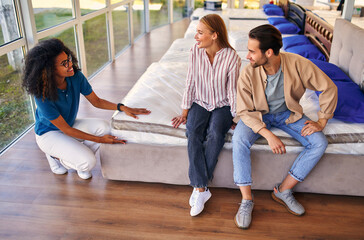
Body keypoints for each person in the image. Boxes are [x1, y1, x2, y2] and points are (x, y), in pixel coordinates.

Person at [232, 25, 337, 229]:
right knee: (239, 139)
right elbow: (243, 110)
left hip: (288, 114)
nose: (248, 56)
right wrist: (267, 134)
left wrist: (322, 120)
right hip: (257, 115)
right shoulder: (248, 72)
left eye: (252, 51)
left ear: (268, 52)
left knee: (318, 142)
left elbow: (328, 87)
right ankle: (246, 200)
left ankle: (283, 190)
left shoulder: (298, 64)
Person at [22, 38, 150, 180]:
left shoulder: (75, 77)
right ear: (50, 70)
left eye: (69, 59)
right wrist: (100, 140)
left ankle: (77, 158)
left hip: (70, 125)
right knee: (88, 163)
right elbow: (66, 130)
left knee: (105, 128)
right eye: (64, 63)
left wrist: (122, 107)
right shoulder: (42, 95)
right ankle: (55, 156)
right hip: (49, 134)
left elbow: (97, 101)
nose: (70, 64)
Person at [171, 14, 241, 217]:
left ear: (214, 35)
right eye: (196, 32)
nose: (196, 37)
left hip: (222, 105)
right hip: (200, 102)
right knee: (192, 131)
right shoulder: (195, 51)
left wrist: (235, 117)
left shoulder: (232, 57)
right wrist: (184, 111)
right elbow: (190, 82)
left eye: (200, 33)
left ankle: (199, 188)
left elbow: (232, 91)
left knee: (216, 133)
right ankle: (202, 189)